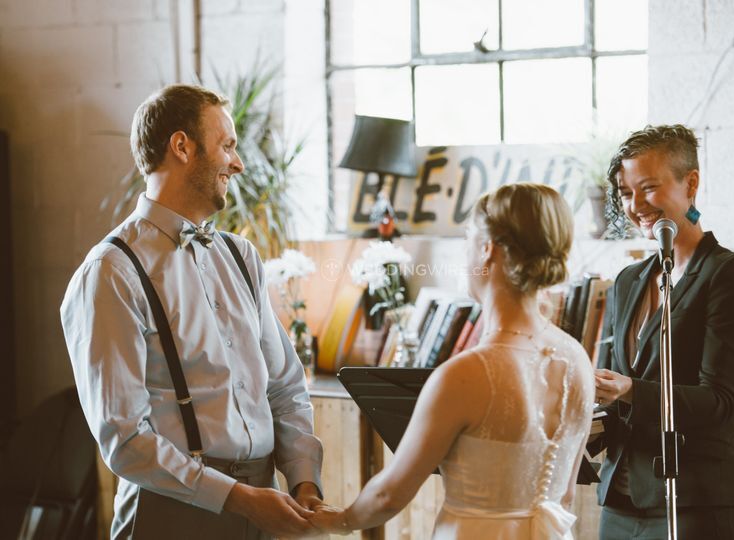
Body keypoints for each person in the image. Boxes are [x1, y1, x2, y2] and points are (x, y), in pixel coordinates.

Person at [60, 84, 324, 539]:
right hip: (171, 513)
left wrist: (303, 481)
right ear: (182, 147)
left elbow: (284, 387)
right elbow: (124, 440)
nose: (238, 163)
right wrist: (237, 498)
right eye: (227, 146)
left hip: (264, 507)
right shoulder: (111, 272)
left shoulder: (241, 257)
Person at [310, 183, 595, 539]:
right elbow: (565, 494)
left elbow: (388, 495)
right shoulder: (577, 360)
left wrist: (338, 521)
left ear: (487, 249)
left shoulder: (466, 374)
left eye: (467, 240)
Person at [592, 124, 734, 539]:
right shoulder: (627, 280)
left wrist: (629, 390)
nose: (635, 205)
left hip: (699, 502)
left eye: (648, 187)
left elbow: (720, 400)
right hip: (620, 500)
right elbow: (615, 395)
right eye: (624, 192)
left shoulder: (730, 274)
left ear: (691, 183)